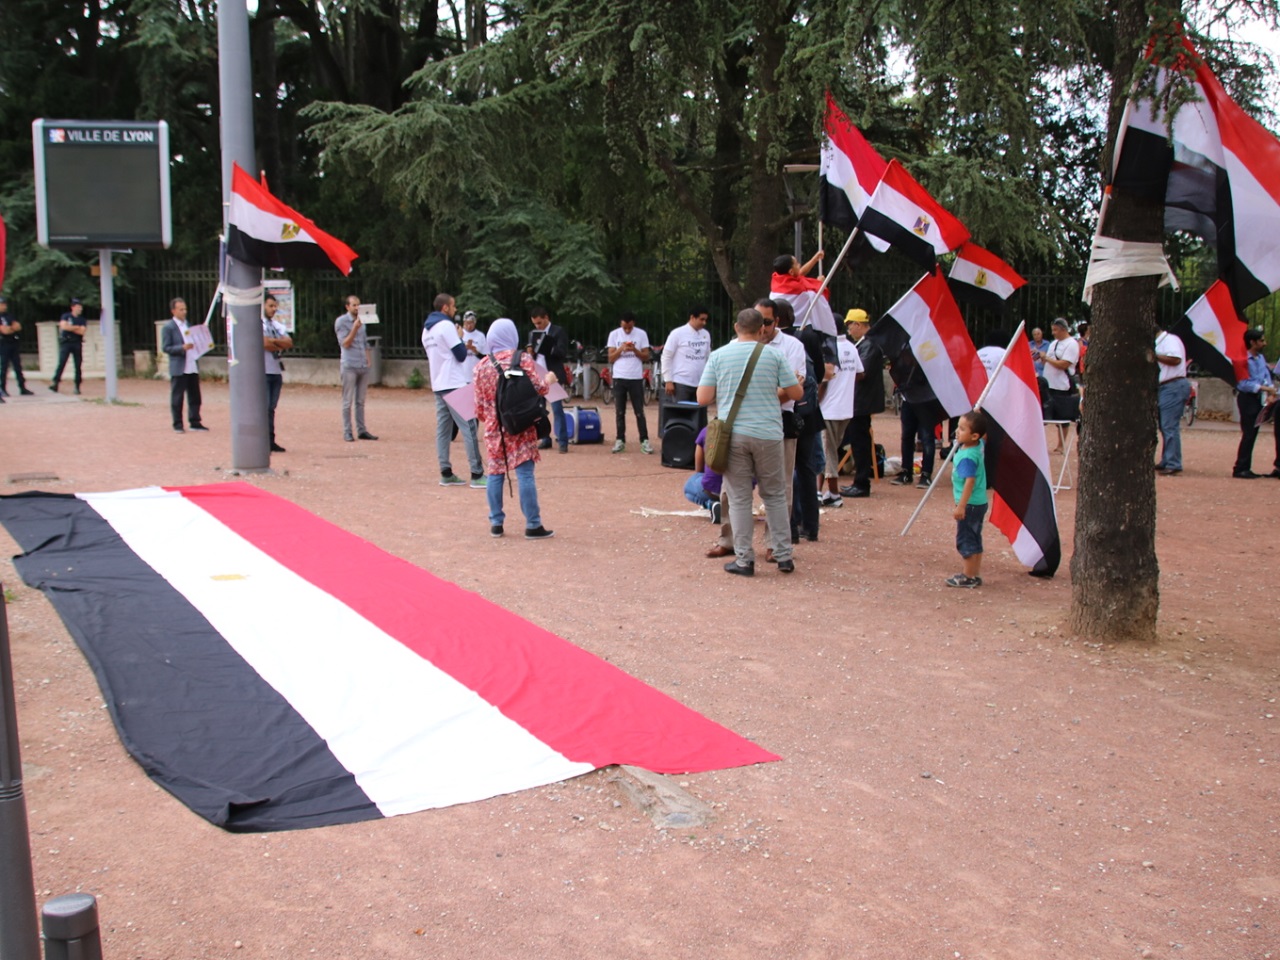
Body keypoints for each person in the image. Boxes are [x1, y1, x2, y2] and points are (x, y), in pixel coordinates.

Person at [697, 307, 802, 577]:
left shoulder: (719, 356)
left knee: (739, 497)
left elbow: (703, 397)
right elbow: (796, 393)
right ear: (761, 330)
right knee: (776, 495)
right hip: (769, 433)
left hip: (734, 434)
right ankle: (783, 555)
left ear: (736, 327)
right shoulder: (775, 355)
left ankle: (744, 559)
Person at [471, 318, 556, 539]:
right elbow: (539, 388)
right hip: (520, 425)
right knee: (525, 474)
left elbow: (478, 407)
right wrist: (549, 380)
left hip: (494, 428)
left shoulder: (480, 366)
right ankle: (533, 524)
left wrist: (491, 417)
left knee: (495, 473)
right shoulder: (522, 359)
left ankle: (496, 523)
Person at [423, 293, 484, 486]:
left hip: (438, 383)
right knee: (469, 427)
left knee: (443, 429)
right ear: (445, 308)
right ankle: (477, 474)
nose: (455, 309)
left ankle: (446, 472)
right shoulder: (447, 326)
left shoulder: (426, 330)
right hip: (455, 382)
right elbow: (460, 355)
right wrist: (459, 337)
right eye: (453, 306)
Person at [818, 312, 864, 507]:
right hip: (845, 408)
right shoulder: (852, 348)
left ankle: (832, 493)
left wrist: (816, 400)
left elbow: (825, 380)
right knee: (828, 450)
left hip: (828, 408)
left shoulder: (829, 348)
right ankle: (821, 492)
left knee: (826, 452)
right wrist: (845, 381)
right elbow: (861, 374)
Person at [840, 308, 884, 499]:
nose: (849, 330)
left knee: (860, 443)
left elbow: (861, 372)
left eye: (850, 326)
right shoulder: (865, 344)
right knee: (858, 441)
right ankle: (860, 480)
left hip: (862, 402)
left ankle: (861, 482)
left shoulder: (869, 345)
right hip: (860, 401)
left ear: (858, 325)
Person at [946, 409, 989, 588]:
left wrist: (961, 506)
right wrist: (976, 414)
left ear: (974, 435)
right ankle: (974, 573)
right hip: (980, 502)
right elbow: (984, 437)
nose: (957, 431)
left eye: (962, 429)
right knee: (975, 536)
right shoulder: (978, 445)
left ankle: (968, 576)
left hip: (969, 504)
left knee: (966, 539)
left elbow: (969, 482)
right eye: (958, 427)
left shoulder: (966, 457)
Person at [1232, 328, 1276, 479]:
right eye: (1261, 340)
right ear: (1252, 342)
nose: (1264, 343)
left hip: (1259, 398)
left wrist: (1269, 391)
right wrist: (1264, 388)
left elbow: (1265, 376)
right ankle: (1240, 467)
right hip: (1248, 398)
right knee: (1249, 433)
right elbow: (1243, 383)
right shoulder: (1242, 359)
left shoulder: (1260, 359)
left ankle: (1246, 466)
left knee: (1253, 432)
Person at [160, 297, 208, 432]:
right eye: (181, 309)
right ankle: (178, 424)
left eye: (185, 309)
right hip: (179, 367)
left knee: (195, 396)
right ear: (173, 311)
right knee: (177, 397)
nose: (184, 312)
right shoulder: (169, 327)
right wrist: (181, 348)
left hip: (191, 365)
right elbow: (166, 347)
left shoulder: (188, 325)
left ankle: (195, 421)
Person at [607, 311, 652, 453]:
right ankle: (620, 440)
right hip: (619, 377)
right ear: (621, 323)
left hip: (636, 377)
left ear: (634, 324)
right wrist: (621, 348)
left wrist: (635, 350)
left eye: (630, 327)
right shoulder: (614, 334)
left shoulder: (641, 334)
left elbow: (646, 356)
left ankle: (644, 440)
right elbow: (610, 358)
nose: (627, 330)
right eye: (625, 327)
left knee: (639, 411)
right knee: (620, 411)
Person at [335, 294, 378, 443]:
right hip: (349, 365)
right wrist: (354, 328)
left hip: (362, 364)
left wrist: (368, 360)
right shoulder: (341, 322)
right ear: (347, 307)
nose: (357, 308)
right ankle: (347, 431)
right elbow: (345, 343)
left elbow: (364, 342)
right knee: (347, 401)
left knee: (360, 400)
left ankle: (362, 430)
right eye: (354, 305)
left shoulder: (363, 322)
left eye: (358, 305)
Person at [528, 305, 570, 453]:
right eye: (535, 324)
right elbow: (532, 356)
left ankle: (563, 440)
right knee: (540, 410)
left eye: (539, 323)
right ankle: (545, 438)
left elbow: (562, 352)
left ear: (546, 318)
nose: (537, 326)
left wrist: (548, 348)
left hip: (553, 375)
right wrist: (531, 352)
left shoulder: (557, 331)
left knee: (557, 409)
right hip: (538, 375)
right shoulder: (533, 333)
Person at [1154, 322, 1190, 476]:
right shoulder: (1163, 342)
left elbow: (1176, 359)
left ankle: (1174, 462)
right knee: (1164, 425)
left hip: (1173, 385)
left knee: (1169, 425)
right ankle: (1167, 458)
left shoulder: (1170, 340)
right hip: (1166, 387)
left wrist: (1154, 355)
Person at [662, 305, 712, 403]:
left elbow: (708, 357)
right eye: (701, 319)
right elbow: (666, 357)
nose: (704, 323)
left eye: (705, 320)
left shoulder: (706, 334)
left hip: (700, 383)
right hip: (681, 382)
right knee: (681, 414)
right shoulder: (677, 333)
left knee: (698, 414)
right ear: (692, 317)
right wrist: (668, 380)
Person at [262, 294, 292, 453]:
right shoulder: (258, 324)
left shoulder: (276, 325)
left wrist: (274, 342)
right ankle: (263, 440)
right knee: (265, 407)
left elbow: (288, 342)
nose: (274, 309)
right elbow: (264, 344)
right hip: (264, 371)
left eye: (275, 306)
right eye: (270, 306)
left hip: (275, 370)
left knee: (271, 408)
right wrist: (275, 343)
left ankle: (271, 439)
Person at [1041, 318, 1081, 426]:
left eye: (1055, 330)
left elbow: (1064, 364)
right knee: (1047, 414)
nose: (1053, 333)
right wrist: (1042, 358)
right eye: (1052, 330)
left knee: (1062, 416)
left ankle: (1060, 441)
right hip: (1049, 383)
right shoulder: (1053, 343)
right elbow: (1048, 362)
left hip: (1061, 385)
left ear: (1063, 330)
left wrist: (1047, 359)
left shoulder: (1072, 344)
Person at [682, 425, 723, 523]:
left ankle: (711, 504)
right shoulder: (749, 432)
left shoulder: (708, 430)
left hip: (714, 490)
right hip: (741, 490)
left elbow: (699, 469)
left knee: (689, 487)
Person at [50, 297, 86, 394]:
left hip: (77, 343)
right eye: (78, 307)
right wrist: (76, 327)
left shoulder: (82, 319)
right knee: (61, 363)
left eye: (80, 307)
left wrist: (71, 328)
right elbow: (63, 326)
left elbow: (82, 331)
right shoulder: (66, 316)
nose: (80, 308)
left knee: (78, 365)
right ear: (73, 307)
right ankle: (55, 382)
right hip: (66, 343)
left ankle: (77, 386)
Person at [0, 296, 34, 397]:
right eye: (2, 304)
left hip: (13, 343)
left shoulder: (9, 316)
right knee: (3, 367)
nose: (4, 306)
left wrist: (9, 328)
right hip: (3, 344)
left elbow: (18, 326)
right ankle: (2, 388)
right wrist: (11, 328)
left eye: (5, 304)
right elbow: (5, 331)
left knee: (18, 367)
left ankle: (22, 387)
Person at [458, 310, 486, 382]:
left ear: (475, 323)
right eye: (467, 323)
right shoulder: (460, 334)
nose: (469, 326)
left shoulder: (480, 336)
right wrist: (465, 348)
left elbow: (485, 356)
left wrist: (475, 350)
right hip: (462, 375)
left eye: (471, 323)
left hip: (475, 374)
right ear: (464, 322)